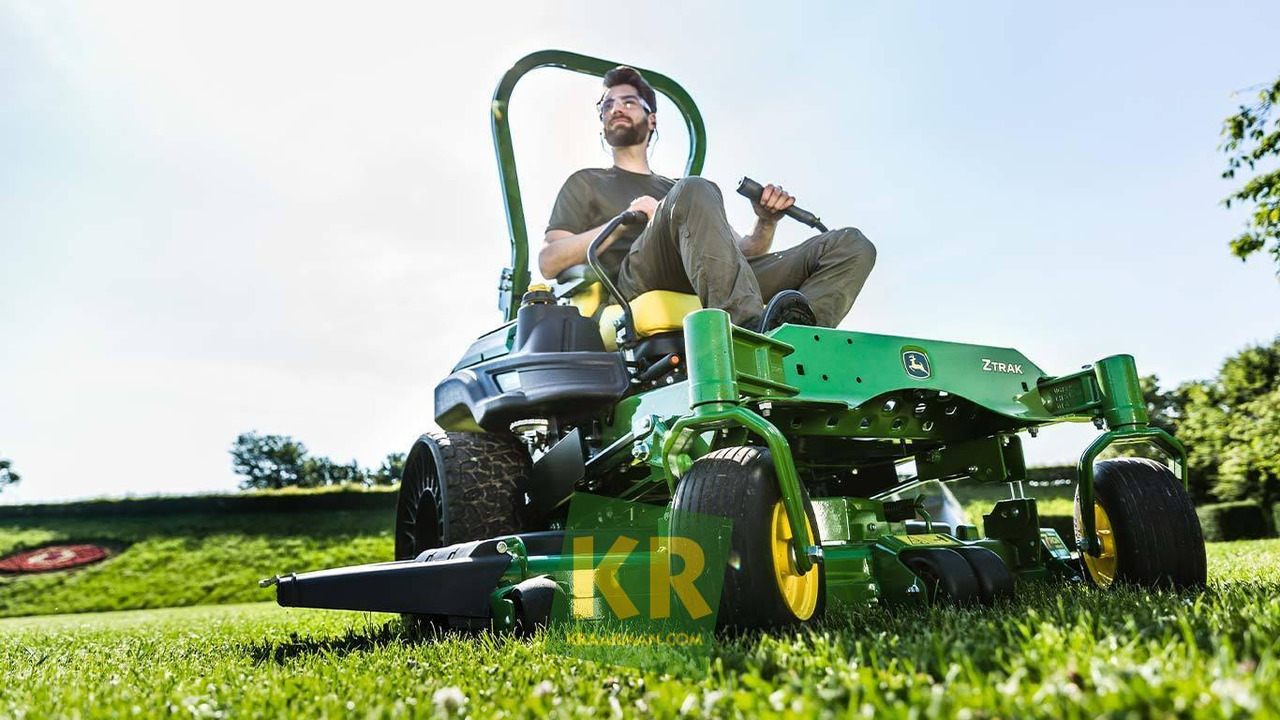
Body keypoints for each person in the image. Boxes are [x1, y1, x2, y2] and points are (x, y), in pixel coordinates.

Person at [538, 66, 876, 330]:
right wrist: (622, 222)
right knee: (696, 188)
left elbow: (743, 252)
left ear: (651, 120)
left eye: (628, 102)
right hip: (638, 279)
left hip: (708, 274)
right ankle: (747, 334)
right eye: (607, 105)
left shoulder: (678, 188)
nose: (616, 109)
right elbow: (549, 261)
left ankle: (799, 337)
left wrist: (766, 221)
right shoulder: (586, 182)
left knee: (851, 245)